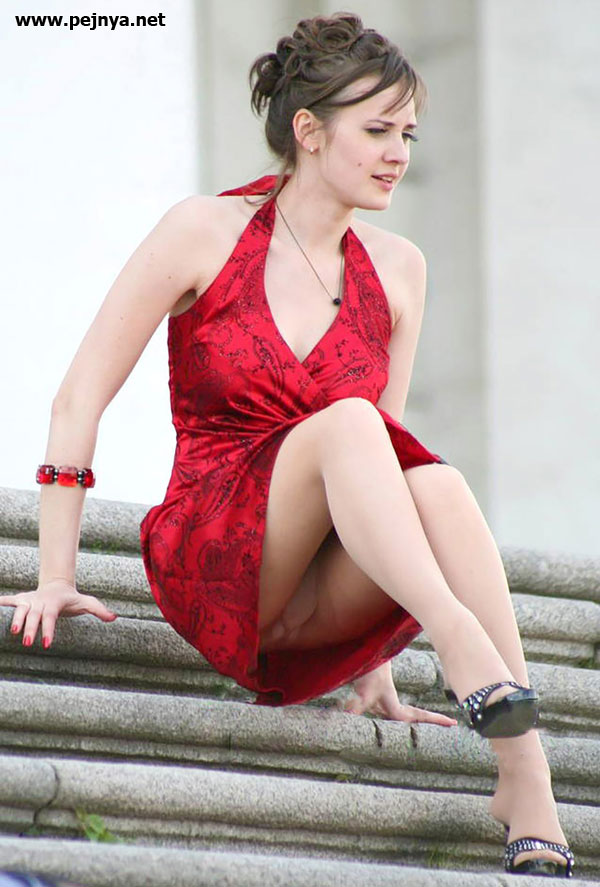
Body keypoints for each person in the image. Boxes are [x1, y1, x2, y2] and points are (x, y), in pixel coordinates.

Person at [0, 11, 573, 878]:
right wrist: (55, 571)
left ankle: (525, 775)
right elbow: (79, 395)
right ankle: (463, 643)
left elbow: (387, 472)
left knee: (437, 483)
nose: (399, 154)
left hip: (318, 587)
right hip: (215, 552)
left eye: (408, 134)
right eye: (377, 131)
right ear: (308, 130)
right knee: (350, 422)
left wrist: (372, 662)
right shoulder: (203, 231)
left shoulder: (400, 270)